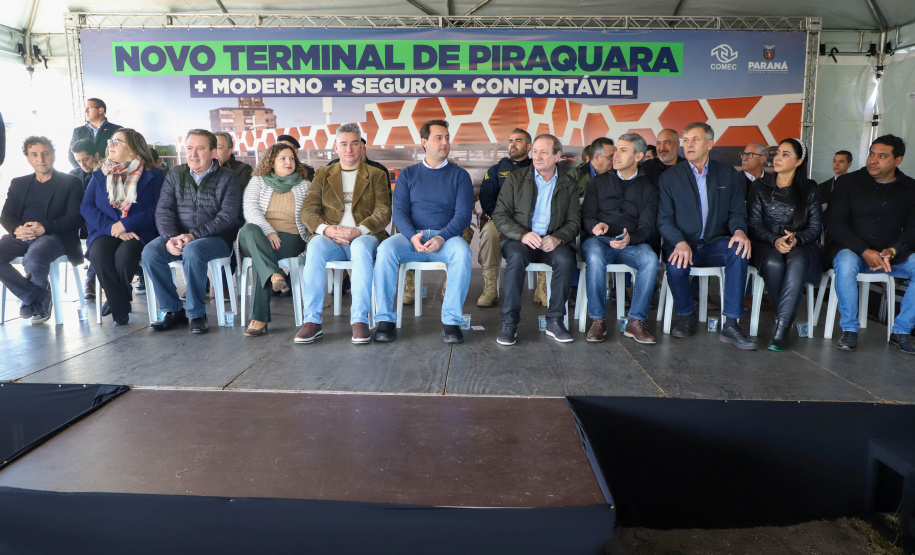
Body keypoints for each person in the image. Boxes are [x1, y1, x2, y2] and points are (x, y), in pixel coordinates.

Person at [372, 119, 473, 344]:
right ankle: (386, 320)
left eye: (447, 137)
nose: (445, 142)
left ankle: (452, 322)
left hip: (446, 238)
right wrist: (412, 236)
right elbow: (398, 212)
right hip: (412, 238)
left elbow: (463, 215)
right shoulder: (408, 174)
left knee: (462, 253)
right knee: (386, 249)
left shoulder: (460, 176)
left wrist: (441, 237)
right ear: (424, 143)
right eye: (439, 138)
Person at [657, 122, 756, 349]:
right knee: (676, 265)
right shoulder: (670, 177)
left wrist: (740, 232)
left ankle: (731, 323)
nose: (689, 144)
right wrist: (679, 242)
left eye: (695, 139)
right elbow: (663, 219)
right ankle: (686, 315)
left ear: (710, 144)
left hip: (714, 243)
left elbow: (737, 211)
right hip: (683, 242)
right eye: (686, 140)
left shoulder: (727, 173)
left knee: (739, 251)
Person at [295, 123, 391, 344]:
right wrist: (326, 229)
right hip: (332, 240)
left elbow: (384, 211)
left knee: (359, 245)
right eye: (344, 144)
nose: (349, 149)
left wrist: (358, 230)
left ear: (361, 146)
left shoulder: (376, 174)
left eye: (354, 143)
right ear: (335, 147)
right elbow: (308, 210)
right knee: (316, 245)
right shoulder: (322, 175)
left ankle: (360, 320)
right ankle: (312, 321)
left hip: (366, 237)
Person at [142, 129, 241, 334]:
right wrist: (170, 238)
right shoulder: (176, 174)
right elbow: (163, 210)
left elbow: (227, 217)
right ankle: (173, 310)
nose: (193, 154)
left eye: (200, 148)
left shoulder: (229, 177)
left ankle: (196, 313)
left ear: (214, 152)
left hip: (216, 239)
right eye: (189, 148)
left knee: (193, 250)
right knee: (150, 252)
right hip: (179, 235)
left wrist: (194, 235)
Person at [826, 135, 915, 353]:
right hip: (851, 250)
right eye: (871, 153)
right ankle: (849, 330)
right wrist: (863, 250)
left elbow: (913, 230)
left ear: (898, 160)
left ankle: (902, 330)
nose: (873, 160)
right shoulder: (848, 182)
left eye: (882, 156)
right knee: (846, 262)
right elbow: (834, 223)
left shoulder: (910, 188)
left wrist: (893, 251)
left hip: (889, 257)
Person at [493, 133, 580, 345]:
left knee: (566, 260)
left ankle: (555, 321)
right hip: (520, 239)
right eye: (535, 152)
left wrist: (558, 238)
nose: (537, 156)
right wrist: (521, 235)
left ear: (557, 155)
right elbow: (500, 215)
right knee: (515, 257)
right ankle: (509, 323)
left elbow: (575, 221)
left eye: (544, 152)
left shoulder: (569, 183)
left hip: (552, 240)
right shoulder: (516, 179)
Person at [581, 133, 659, 344]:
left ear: (638, 156)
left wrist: (630, 238)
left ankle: (635, 322)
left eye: (623, 151)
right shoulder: (598, 183)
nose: (615, 155)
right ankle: (598, 320)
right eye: (616, 150)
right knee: (595, 256)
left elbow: (647, 229)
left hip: (630, 244)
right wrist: (595, 226)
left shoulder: (649, 188)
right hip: (600, 241)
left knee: (650, 259)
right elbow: (587, 216)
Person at [80, 129, 164, 325]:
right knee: (98, 254)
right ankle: (121, 305)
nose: (111, 144)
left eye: (117, 141)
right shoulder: (100, 174)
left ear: (134, 149)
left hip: (139, 231)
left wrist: (126, 224)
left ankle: (116, 304)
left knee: (124, 256)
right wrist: (112, 228)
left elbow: (158, 208)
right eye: (111, 141)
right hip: (105, 230)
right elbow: (86, 206)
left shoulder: (154, 175)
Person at [748, 139, 823, 351]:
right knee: (773, 263)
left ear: (799, 161)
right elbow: (753, 225)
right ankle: (785, 317)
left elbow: (816, 228)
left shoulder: (809, 188)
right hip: (766, 242)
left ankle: (781, 328)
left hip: (801, 244)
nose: (778, 158)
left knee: (797, 259)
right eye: (777, 153)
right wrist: (774, 239)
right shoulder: (760, 186)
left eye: (785, 154)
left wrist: (797, 239)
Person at [0, 137, 84, 323]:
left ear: (53, 155)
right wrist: (16, 229)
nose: (41, 159)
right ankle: (35, 297)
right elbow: (5, 215)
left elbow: (76, 218)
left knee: (34, 257)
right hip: (22, 235)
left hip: (54, 237)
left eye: (45, 153)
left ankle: (34, 301)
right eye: (34, 154)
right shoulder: (18, 183)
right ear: (28, 158)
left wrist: (44, 227)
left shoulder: (71, 182)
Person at [236, 142, 311, 337]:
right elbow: (250, 209)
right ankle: (275, 274)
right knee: (250, 230)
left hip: (291, 238)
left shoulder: (304, 186)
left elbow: (310, 214)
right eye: (283, 158)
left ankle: (259, 318)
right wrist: (268, 231)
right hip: (258, 234)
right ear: (271, 162)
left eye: (292, 158)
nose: (289, 162)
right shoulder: (258, 181)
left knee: (262, 258)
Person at [476, 128, 532, 308]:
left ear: (529, 146)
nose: (513, 144)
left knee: (545, 231)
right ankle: (491, 287)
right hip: (501, 220)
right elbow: (486, 198)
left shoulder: (537, 168)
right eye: (510, 141)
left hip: (531, 222)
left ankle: (542, 287)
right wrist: (500, 218)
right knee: (490, 231)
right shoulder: (497, 169)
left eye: (518, 140)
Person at [69, 139, 101, 299]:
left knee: (98, 234)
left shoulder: (107, 172)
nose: (82, 164)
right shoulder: (73, 176)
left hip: (101, 222)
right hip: (81, 224)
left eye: (86, 159)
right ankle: (92, 276)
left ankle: (91, 277)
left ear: (96, 155)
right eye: (78, 161)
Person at [68, 98, 122, 169]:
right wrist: (84, 170)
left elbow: (120, 154)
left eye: (89, 108)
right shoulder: (78, 131)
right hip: (85, 176)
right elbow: (71, 155)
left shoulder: (117, 130)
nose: (85, 111)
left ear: (100, 110)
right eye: (85, 108)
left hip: (108, 173)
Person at [215, 132, 254, 205]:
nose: (214, 152)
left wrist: (218, 171)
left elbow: (235, 199)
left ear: (229, 151)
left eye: (219, 148)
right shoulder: (201, 169)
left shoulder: (243, 169)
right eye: (211, 147)